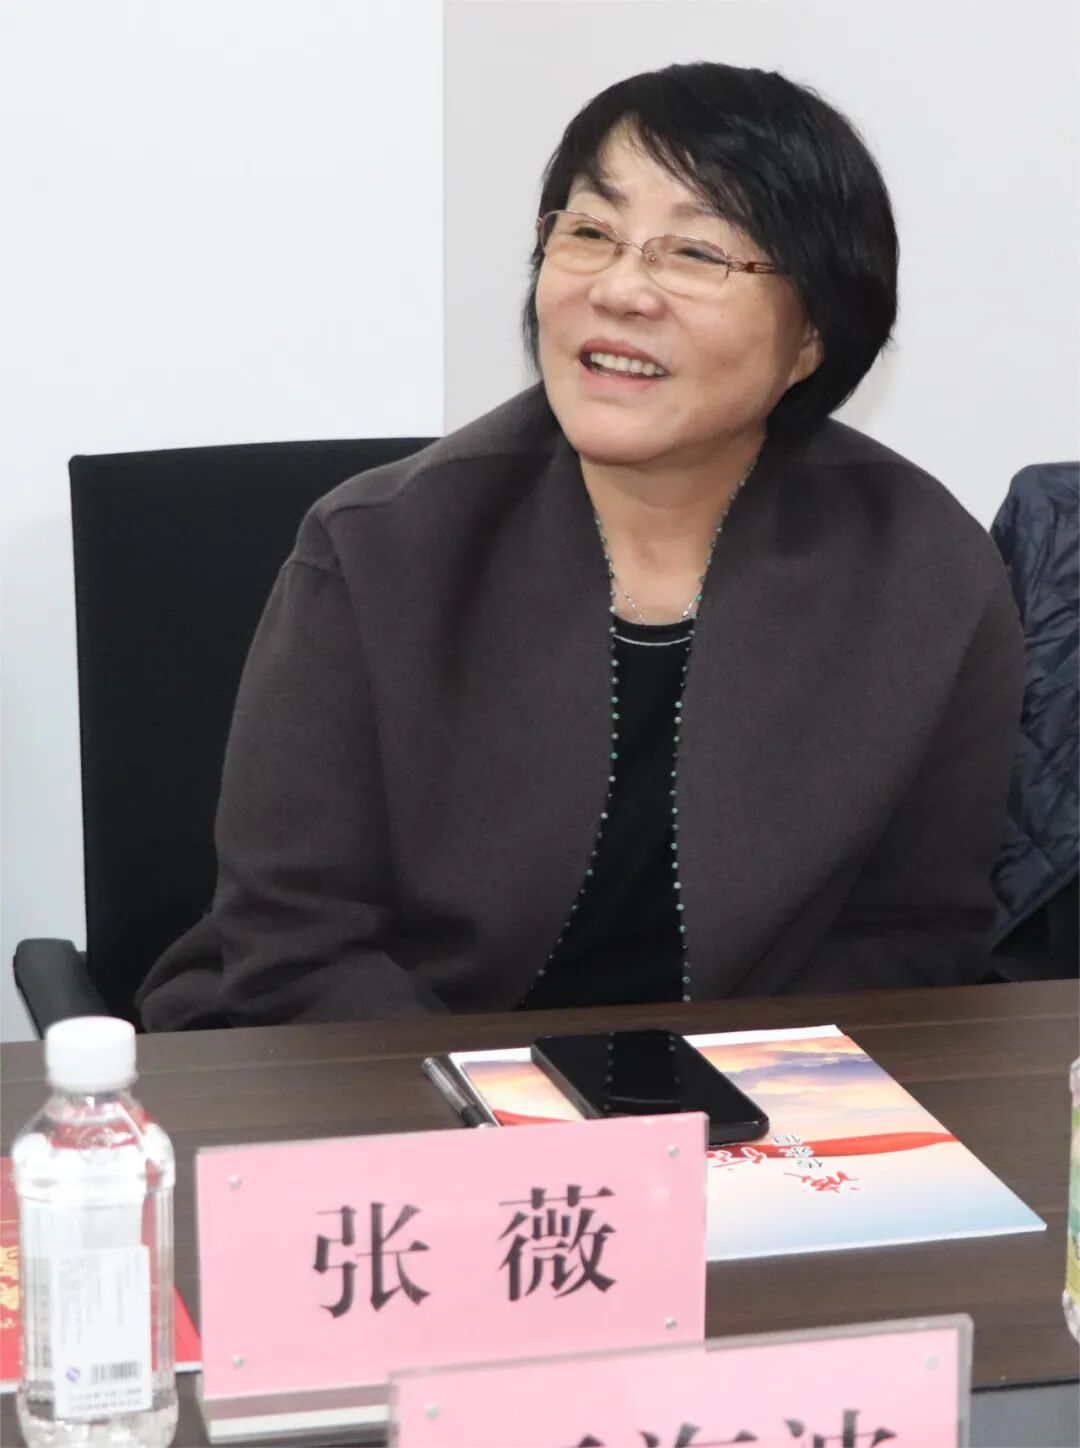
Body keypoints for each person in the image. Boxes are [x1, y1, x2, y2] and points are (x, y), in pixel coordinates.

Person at [137, 61, 1022, 1031]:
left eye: (696, 252)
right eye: (591, 233)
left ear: (811, 334)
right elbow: (297, 941)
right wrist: (508, 1112)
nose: (621, 289)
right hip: (372, 1071)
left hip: (743, 1093)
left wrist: (727, 1092)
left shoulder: (925, 572)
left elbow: (916, 931)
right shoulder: (378, 547)